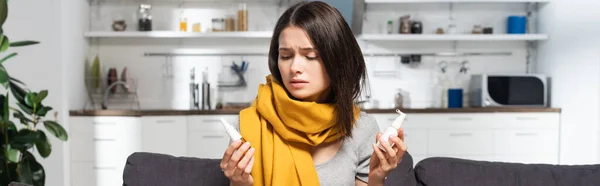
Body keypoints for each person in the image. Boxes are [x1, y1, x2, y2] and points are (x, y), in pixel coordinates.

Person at [219, 1, 407, 186]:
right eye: (285, 56)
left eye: (311, 56)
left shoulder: (362, 128)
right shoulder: (248, 126)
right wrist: (239, 183)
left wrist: (377, 177)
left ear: (337, 59)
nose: (294, 67)